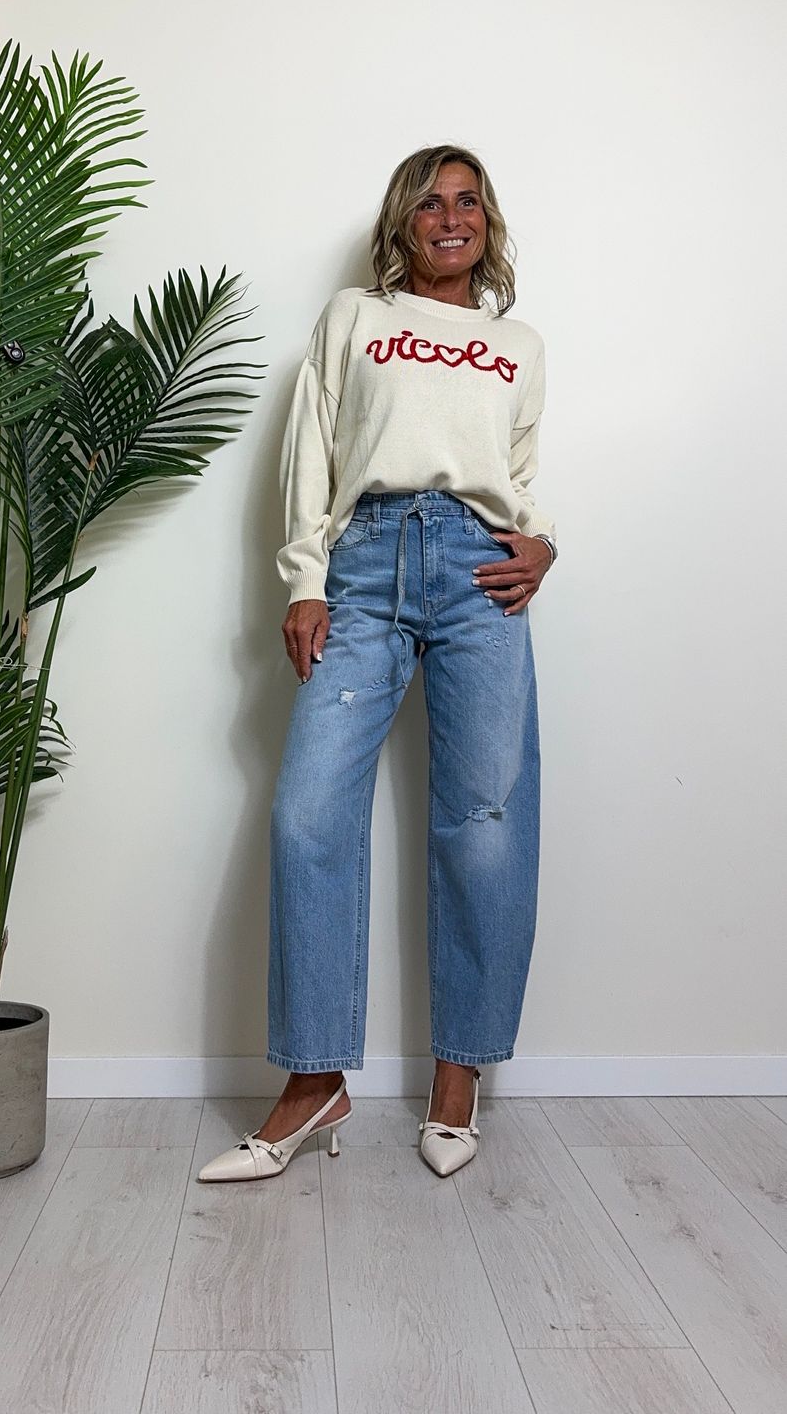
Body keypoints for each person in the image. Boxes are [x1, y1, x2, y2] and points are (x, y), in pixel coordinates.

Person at [198, 145, 557, 1184]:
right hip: (362, 567)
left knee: (482, 822)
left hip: (481, 573)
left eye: (467, 202)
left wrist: (543, 544)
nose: (451, 217)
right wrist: (304, 579)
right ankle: (315, 1079)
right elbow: (310, 447)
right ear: (404, 222)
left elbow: (520, 476)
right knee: (307, 812)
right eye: (430, 203)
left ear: (486, 222)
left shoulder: (517, 344)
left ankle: (457, 1078)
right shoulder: (354, 318)